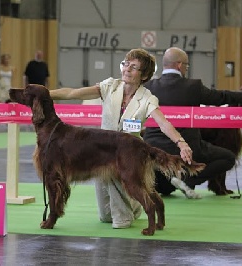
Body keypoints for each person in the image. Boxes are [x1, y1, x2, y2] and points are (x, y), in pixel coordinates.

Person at [49, 48, 194, 229]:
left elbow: (163, 123)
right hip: (100, 151)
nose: (126, 69)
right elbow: (73, 93)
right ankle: (134, 207)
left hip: (128, 153)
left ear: (144, 75)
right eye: (126, 64)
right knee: (105, 216)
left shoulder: (147, 98)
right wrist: (46, 93)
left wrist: (181, 143)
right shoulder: (110, 86)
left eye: (133, 67)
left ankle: (127, 213)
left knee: (120, 214)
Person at [143, 47, 242, 198]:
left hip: (153, 151)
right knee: (228, 157)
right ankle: (188, 180)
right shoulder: (192, 87)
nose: (186, 69)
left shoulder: (148, 87)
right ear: (179, 65)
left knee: (165, 187)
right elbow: (221, 97)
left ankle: (169, 183)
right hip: (186, 149)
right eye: (187, 66)